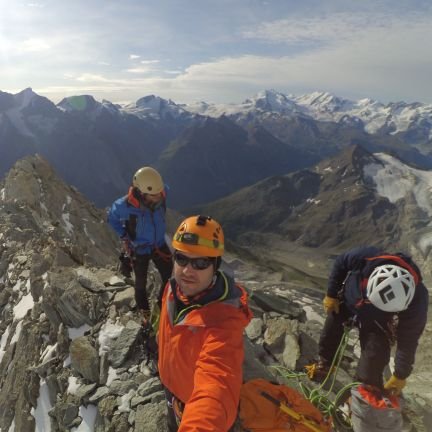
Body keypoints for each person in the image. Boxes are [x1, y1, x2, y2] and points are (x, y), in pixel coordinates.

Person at [157, 215, 252, 432]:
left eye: (200, 263)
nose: (188, 271)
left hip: (193, 404)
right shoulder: (172, 289)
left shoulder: (223, 324)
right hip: (171, 389)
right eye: (181, 259)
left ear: (215, 266)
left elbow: (217, 386)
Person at [307, 246, 428, 397]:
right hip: (348, 302)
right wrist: (331, 294)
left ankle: (365, 392)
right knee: (330, 332)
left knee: (373, 360)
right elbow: (341, 262)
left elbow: (409, 337)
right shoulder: (367, 257)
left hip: (377, 321)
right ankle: (325, 363)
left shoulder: (418, 298)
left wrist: (400, 374)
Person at [108, 166, 173, 322]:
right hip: (140, 248)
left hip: (158, 243)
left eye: (160, 192)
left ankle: (161, 305)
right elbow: (112, 218)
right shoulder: (124, 206)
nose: (159, 196)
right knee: (140, 283)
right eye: (154, 195)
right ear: (141, 192)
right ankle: (145, 314)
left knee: (170, 276)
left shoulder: (160, 193)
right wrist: (124, 235)